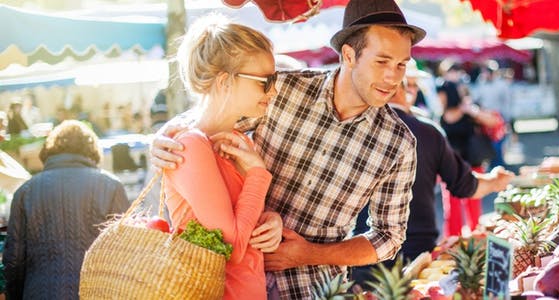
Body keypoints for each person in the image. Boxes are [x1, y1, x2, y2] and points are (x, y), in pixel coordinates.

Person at [151, 0, 425, 298]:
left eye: (401, 65)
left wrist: (309, 254)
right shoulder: (281, 89)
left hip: (314, 289)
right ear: (349, 55)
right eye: (382, 62)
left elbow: (388, 238)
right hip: (230, 280)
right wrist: (165, 136)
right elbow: (213, 117)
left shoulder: (398, 144)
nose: (393, 78)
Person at [161, 15, 283, 299]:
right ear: (225, 81)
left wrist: (271, 221)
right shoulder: (190, 147)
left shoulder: (237, 141)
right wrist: (258, 175)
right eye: (265, 81)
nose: (273, 90)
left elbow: (240, 219)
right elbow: (233, 247)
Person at [352, 80, 513, 283]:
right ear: (403, 91)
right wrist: (496, 181)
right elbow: (466, 186)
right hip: (417, 258)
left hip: (363, 257)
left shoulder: (353, 132)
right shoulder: (428, 132)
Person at [3, 120, 130, 299]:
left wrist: (14, 295)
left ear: (50, 151)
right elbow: (126, 252)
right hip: (96, 293)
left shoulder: (26, 191)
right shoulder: (111, 187)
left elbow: (14, 259)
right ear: (92, 151)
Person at [438, 78, 498, 236]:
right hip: (450, 168)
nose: (439, 98)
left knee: (473, 207)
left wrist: (472, 110)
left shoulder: (467, 111)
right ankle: (452, 243)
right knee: (451, 211)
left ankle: (477, 239)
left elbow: (494, 122)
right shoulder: (440, 115)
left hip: (473, 165)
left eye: (441, 94)